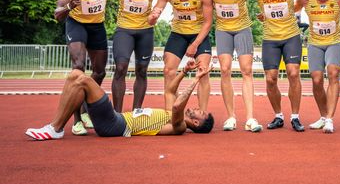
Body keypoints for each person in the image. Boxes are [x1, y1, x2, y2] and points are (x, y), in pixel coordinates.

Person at [188, 0, 294, 132]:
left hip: (243, 29)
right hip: (223, 30)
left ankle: (251, 118)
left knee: (246, 71)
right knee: (225, 69)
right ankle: (231, 117)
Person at [54, 0, 153, 136]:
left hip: (97, 25)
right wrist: (68, 8)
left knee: (99, 72)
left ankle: (85, 110)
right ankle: (77, 121)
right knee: (79, 68)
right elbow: (57, 14)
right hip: (77, 23)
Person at [25, 59, 214, 140]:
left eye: (201, 112)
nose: (198, 108)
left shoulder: (179, 126)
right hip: (115, 119)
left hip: (116, 126)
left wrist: (197, 80)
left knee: (83, 80)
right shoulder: (170, 116)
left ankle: (55, 128)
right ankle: (56, 126)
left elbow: (177, 105)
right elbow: (170, 92)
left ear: (196, 122)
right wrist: (185, 71)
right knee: (76, 74)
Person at [148, 0, 213, 115]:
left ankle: (202, 113)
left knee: (203, 72)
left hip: (199, 34)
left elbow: (208, 22)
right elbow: (156, 10)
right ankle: (171, 112)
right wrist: (153, 16)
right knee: (168, 71)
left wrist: (195, 44)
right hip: (178, 33)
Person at [252, 0, 305, 132]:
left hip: (291, 36)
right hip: (270, 39)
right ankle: (278, 115)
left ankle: (295, 117)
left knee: (293, 73)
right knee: (270, 78)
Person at [111, 0, 163, 112]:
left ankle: (136, 112)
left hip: (145, 31)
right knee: (120, 68)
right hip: (124, 30)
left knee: (141, 71)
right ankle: (117, 115)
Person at [294, 0, 340, 133]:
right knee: (316, 80)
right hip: (315, 43)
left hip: (334, 42)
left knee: (333, 73)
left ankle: (330, 119)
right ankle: (323, 116)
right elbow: (294, 8)